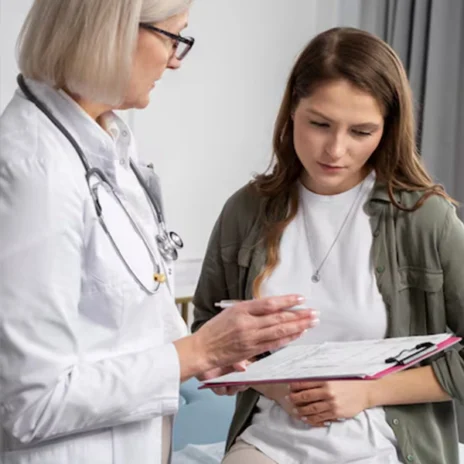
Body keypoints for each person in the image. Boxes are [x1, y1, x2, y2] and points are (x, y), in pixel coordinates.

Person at [0, 1, 318, 463]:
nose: (175, 59)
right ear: (113, 33)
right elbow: (29, 405)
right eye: (174, 37)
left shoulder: (107, 145)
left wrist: (210, 356)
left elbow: (114, 331)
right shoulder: (32, 171)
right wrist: (195, 352)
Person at [192, 26, 464, 464]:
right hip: (269, 443)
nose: (335, 150)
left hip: (388, 446)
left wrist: (370, 392)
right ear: (291, 112)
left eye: (361, 132)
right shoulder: (246, 211)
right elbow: (206, 328)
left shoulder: (424, 219)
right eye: (319, 124)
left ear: (387, 130)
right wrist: (272, 386)